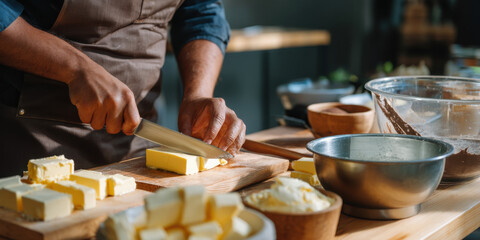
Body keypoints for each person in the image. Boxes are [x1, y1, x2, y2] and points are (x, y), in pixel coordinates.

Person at [0, 0, 246, 177]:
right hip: (34, 141)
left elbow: (201, 12)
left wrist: (198, 93)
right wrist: (75, 68)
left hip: (137, 146)